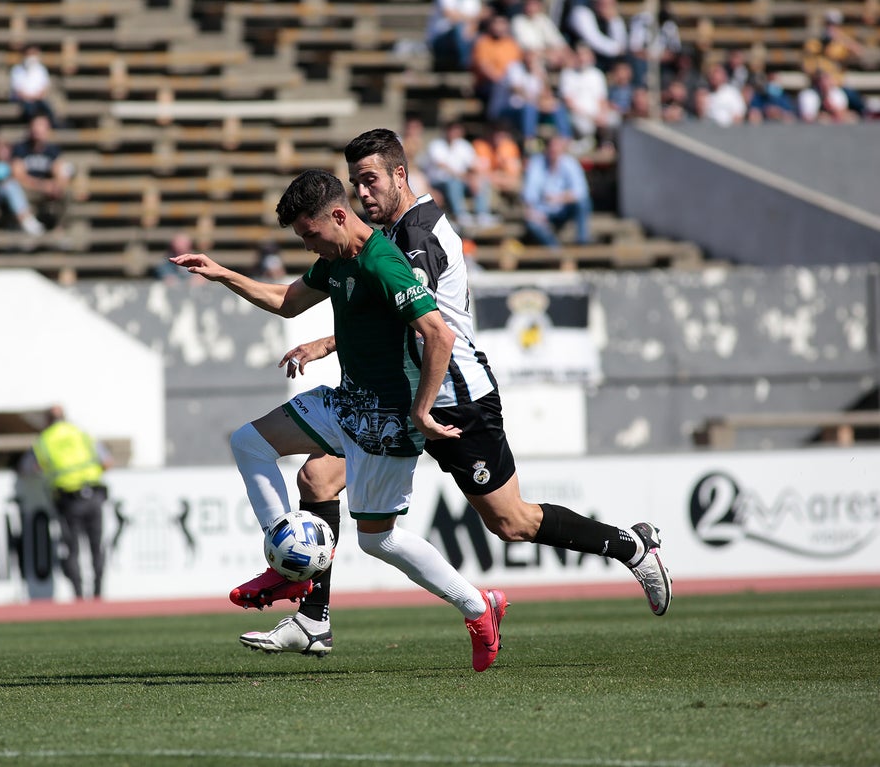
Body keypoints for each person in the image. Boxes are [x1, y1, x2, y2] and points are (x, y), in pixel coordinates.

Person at [235, 128, 670, 656]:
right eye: (355, 183)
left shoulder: (418, 237)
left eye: (370, 180)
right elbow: (382, 311)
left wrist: (382, 378)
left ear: (401, 174)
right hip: (397, 402)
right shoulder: (380, 235)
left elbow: (427, 325)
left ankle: (631, 546)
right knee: (317, 478)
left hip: (451, 402)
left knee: (512, 522)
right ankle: (313, 618)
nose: (363, 193)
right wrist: (330, 342)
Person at [171, 169, 508, 673]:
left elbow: (438, 335)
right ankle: (286, 566)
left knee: (378, 539)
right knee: (249, 442)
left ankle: (479, 608)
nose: (309, 245)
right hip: (347, 401)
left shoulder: (384, 262)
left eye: (310, 234)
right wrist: (222, 274)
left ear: (337, 215)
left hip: (388, 420)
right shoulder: (335, 260)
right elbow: (286, 303)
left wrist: (420, 410)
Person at [23, 405, 113, 600]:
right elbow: (106, 461)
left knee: (71, 549)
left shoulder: (44, 440)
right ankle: (98, 594)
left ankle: (79, 596)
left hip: (68, 500)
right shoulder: (81, 433)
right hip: (94, 495)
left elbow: (29, 467)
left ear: (47, 421)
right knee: (97, 547)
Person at [522, 133, 592, 248]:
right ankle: (557, 253)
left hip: (564, 210)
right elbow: (529, 195)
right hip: (543, 212)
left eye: (557, 146)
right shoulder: (537, 163)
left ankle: (582, 244)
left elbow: (581, 192)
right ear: (547, 148)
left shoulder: (570, 163)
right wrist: (533, 211)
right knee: (532, 223)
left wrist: (559, 198)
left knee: (583, 203)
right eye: (552, 146)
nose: (554, 150)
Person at [421, 119, 495, 228]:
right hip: (439, 182)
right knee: (454, 183)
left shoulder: (464, 146)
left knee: (481, 181)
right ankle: (460, 214)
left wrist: (475, 178)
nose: (453, 133)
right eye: (451, 130)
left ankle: (482, 213)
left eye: (456, 130)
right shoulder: (436, 145)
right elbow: (444, 167)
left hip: (461, 182)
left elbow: (474, 165)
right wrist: (467, 178)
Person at [11, 112, 72, 231]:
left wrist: (56, 185)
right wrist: (42, 186)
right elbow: (18, 176)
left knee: (66, 192)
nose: (38, 129)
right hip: (28, 189)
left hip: (45, 188)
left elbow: (60, 172)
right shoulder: (21, 149)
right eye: (36, 125)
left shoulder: (52, 150)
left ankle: (59, 229)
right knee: (15, 190)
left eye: (42, 126)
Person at [10, 44, 56, 125]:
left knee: (49, 111)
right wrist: (30, 98)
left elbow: (45, 88)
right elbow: (18, 91)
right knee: (30, 110)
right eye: (30, 54)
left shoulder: (41, 69)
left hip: (38, 100)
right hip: (24, 101)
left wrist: (36, 97)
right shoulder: (17, 70)